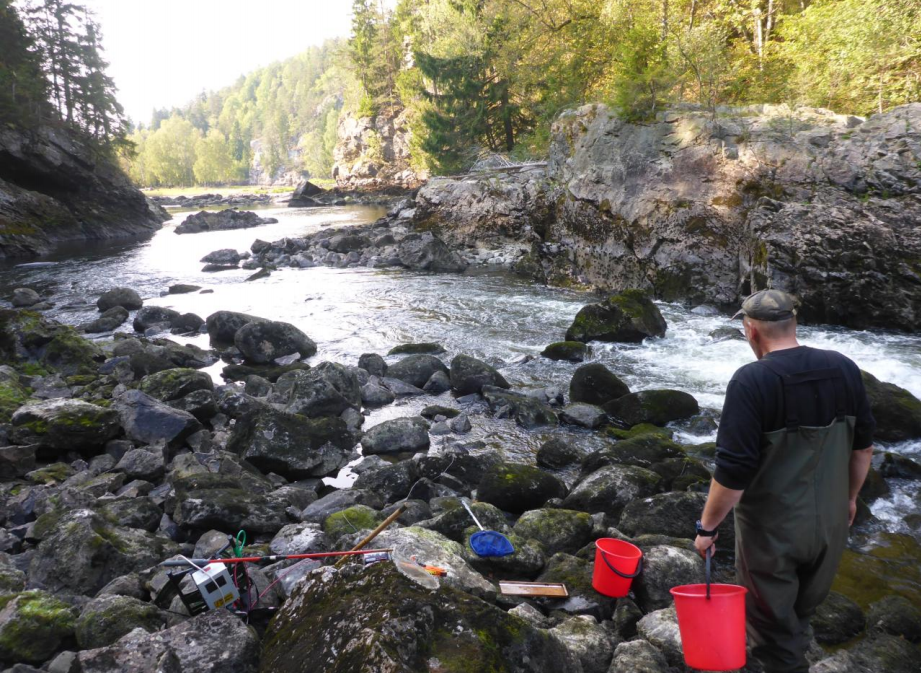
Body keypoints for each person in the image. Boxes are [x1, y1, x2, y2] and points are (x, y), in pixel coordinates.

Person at [693, 289, 875, 673]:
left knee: (772, 634)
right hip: (830, 524)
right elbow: (863, 450)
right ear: (794, 323)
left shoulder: (751, 381)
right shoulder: (844, 367)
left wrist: (706, 527)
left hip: (772, 532)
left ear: (750, 330)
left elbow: (733, 471)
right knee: (799, 615)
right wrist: (851, 499)